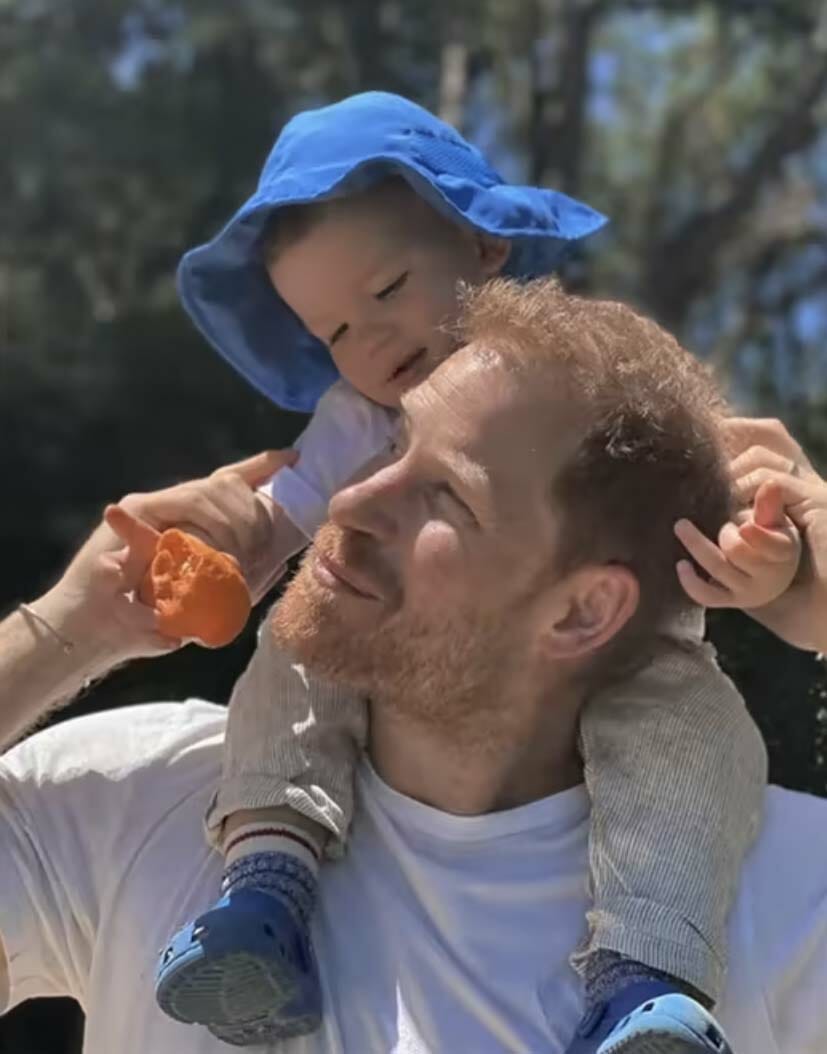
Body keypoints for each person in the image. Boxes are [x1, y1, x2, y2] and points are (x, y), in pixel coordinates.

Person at [1, 284, 826, 1054]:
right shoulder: (147, 792)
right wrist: (69, 629)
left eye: (445, 497)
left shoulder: (789, 896)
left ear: (582, 610)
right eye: (392, 441)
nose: (352, 501)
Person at [152, 92, 787, 1051]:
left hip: (631, 658)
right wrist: (215, 559)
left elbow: (705, 496)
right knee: (293, 651)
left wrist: (759, 561)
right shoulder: (348, 429)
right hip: (399, 650)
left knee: (695, 733)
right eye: (333, 335)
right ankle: (265, 886)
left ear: (486, 248)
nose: (368, 343)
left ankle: (645, 980)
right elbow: (279, 522)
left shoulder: (585, 375)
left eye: (389, 288)